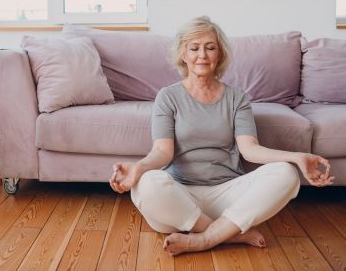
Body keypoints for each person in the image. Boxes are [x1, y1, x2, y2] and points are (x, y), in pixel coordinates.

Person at [109, 16, 334, 256]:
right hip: (179, 200)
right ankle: (230, 234)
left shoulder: (237, 98)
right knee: (146, 183)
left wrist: (298, 158)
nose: (202, 55)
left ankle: (205, 238)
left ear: (220, 54)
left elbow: (250, 149)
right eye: (194, 48)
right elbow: (162, 152)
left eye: (210, 47)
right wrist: (138, 167)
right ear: (183, 55)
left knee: (286, 173)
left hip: (228, 195)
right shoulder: (168, 97)